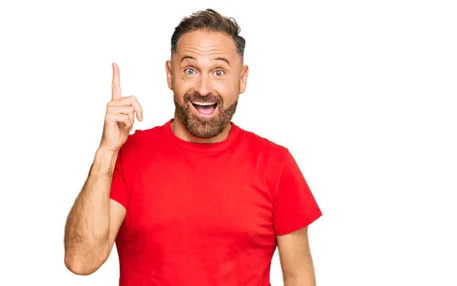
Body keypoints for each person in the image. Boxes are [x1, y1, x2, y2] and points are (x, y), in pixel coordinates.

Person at [63, 8, 322, 286]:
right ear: (169, 75)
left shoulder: (276, 164)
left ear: (242, 79)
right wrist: (106, 153)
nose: (203, 88)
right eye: (190, 70)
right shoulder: (128, 154)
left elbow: (298, 277)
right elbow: (81, 261)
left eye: (219, 71)